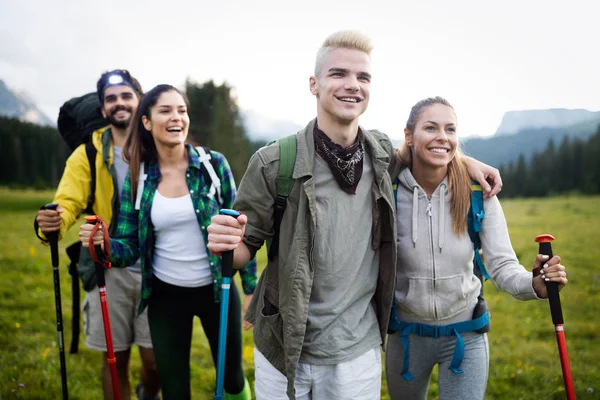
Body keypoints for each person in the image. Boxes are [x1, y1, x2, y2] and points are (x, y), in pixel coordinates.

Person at [206, 31, 503, 400]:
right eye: (339, 74)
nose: (353, 85)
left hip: (357, 350)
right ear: (314, 84)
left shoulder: (380, 153)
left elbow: (428, 149)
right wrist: (224, 242)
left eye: (363, 77)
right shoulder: (273, 163)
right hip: (284, 347)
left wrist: (466, 161)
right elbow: (241, 252)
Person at [79, 84, 255, 400]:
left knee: (232, 381)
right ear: (146, 121)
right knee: (174, 389)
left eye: (181, 110)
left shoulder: (213, 165)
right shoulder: (138, 176)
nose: (176, 118)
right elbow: (128, 245)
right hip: (165, 296)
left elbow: (241, 230)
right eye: (166, 111)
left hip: (217, 290)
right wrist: (103, 243)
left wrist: (252, 287)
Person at [385, 96, 569, 400]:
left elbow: (502, 266)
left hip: (465, 337)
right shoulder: (386, 191)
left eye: (450, 129)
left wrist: (534, 284)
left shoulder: (477, 195)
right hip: (406, 340)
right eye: (430, 127)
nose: (442, 137)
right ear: (409, 135)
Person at [35, 69, 160, 400]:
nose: (119, 103)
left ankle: (147, 393)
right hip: (109, 269)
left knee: (156, 362)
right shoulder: (87, 154)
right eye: (111, 98)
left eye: (125, 96)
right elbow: (67, 201)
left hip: (158, 268)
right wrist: (51, 223)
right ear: (103, 109)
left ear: (140, 100)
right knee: (114, 359)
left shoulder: (160, 144)